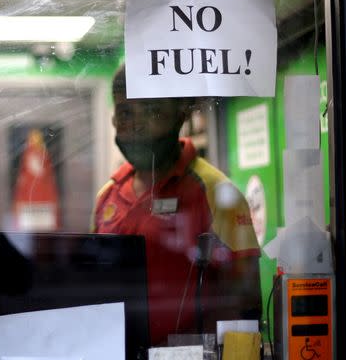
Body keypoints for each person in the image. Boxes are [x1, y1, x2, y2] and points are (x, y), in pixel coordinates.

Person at [91, 65, 262, 346]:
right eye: (125, 114)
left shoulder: (218, 193)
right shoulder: (106, 198)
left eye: (152, 111)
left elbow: (247, 306)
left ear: (180, 112)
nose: (136, 125)